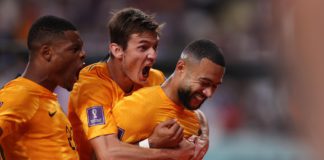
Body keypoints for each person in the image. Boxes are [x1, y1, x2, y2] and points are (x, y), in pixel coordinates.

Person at [68, 8, 196, 160]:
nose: (153, 55)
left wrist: (202, 137)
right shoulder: (92, 86)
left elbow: (190, 113)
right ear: (117, 50)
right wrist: (159, 147)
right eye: (143, 47)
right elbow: (106, 154)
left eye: (155, 47)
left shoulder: (155, 79)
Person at [113, 39, 225, 159]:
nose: (209, 93)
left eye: (214, 86)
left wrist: (203, 133)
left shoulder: (195, 120)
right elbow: (103, 155)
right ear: (181, 67)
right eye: (204, 82)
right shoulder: (138, 107)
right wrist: (151, 144)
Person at [0, 15, 85, 159]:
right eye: (74, 49)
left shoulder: (45, 99)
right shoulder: (21, 94)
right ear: (47, 53)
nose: (83, 54)